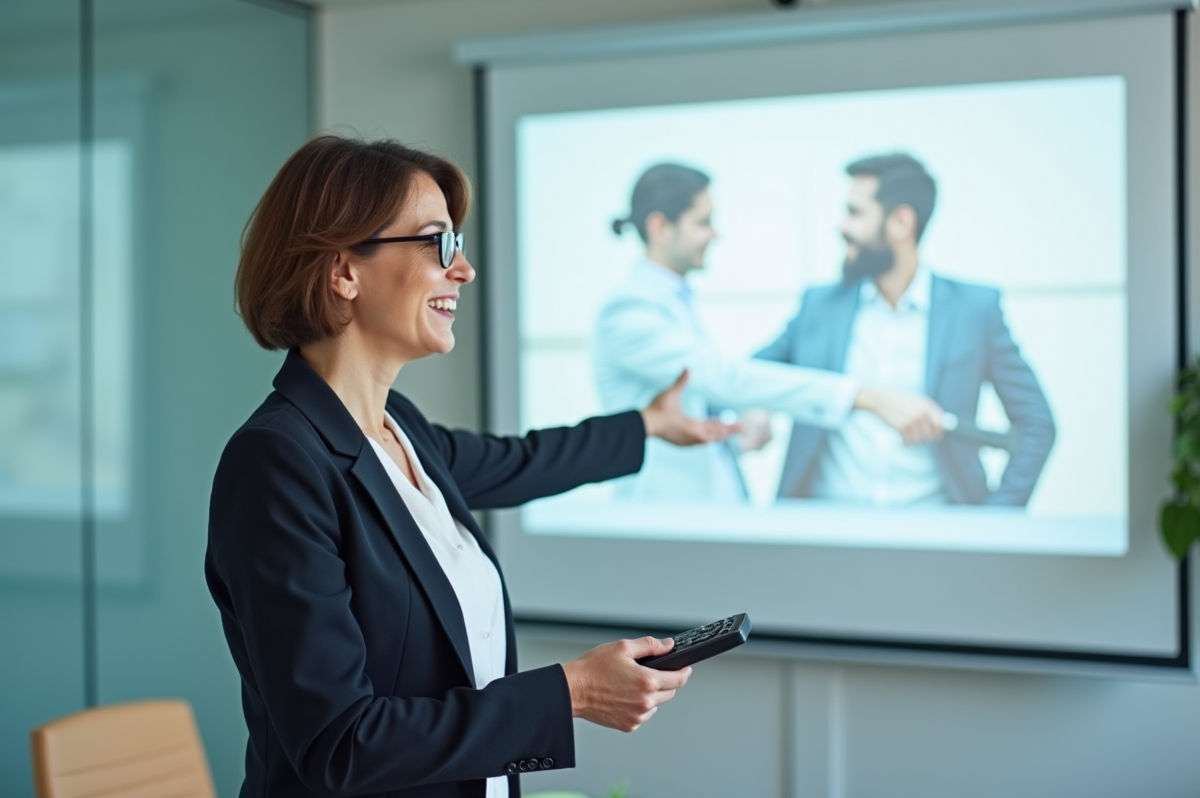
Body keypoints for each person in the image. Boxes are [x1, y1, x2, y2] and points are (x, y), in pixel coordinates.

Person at [205, 136, 735, 798]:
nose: (465, 270)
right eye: (439, 243)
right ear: (344, 272)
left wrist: (648, 425)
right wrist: (571, 692)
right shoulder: (277, 462)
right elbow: (339, 745)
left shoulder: (400, 429)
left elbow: (521, 462)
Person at [593, 162, 943, 503]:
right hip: (666, 521)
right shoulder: (629, 310)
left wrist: (741, 426)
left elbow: (694, 408)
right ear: (660, 227)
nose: (715, 234)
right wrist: (864, 397)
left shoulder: (675, 302)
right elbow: (723, 378)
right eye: (703, 222)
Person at [755, 152, 1056, 506]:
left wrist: (994, 521)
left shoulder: (975, 310)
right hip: (829, 523)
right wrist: (757, 405)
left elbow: (1037, 424)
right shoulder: (820, 306)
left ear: (901, 222)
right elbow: (747, 377)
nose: (842, 227)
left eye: (855, 213)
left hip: (935, 527)